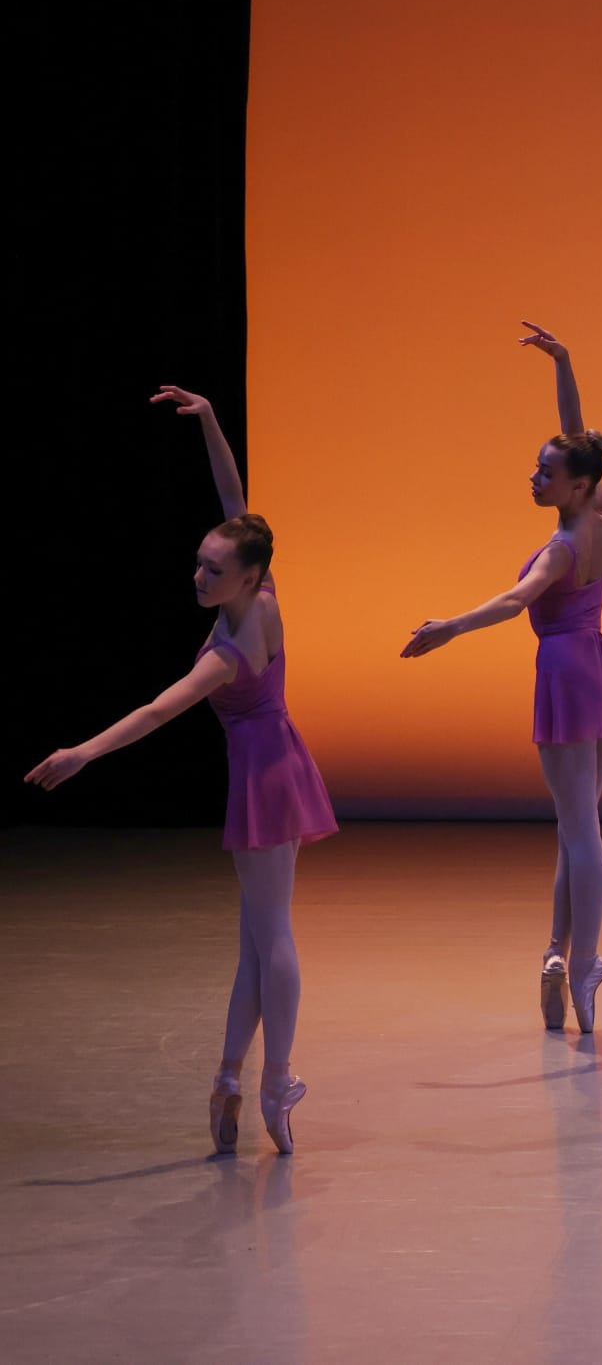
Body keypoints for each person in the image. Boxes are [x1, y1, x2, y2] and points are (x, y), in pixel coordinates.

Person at [26, 385, 337, 1153]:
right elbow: (237, 503)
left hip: (268, 778)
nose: (197, 575)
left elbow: (158, 709)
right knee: (254, 942)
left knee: (272, 941)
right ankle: (231, 1079)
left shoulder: (229, 652)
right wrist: (209, 422)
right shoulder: (261, 592)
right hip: (275, 765)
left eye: (211, 569)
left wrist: (82, 751)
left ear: (246, 577)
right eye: (197, 562)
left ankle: (275, 1080)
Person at [402, 324, 602, 1033]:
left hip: (568, 672)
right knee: (579, 827)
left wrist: (450, 625)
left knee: (579, 830)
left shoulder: (565, 545)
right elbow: (580, 439)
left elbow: (514, 601)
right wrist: (565, 362)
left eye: (544, 473)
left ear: (576, 484)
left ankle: (581, 957)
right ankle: (559, 952)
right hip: (597, 663)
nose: (533, 478)